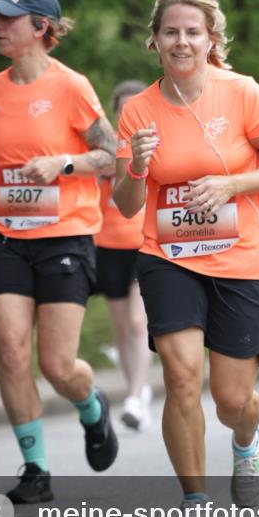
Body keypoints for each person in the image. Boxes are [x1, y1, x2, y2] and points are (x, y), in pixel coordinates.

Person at [113, 0, 259, 517]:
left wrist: (231, 186)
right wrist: (137, 167)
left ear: (210, 38)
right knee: (179, 374)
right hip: (168, 255)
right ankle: (194, 504)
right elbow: (126, 207)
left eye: (191, 32)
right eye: (170, 32)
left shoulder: (243, 92)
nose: (181, 41)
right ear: (154, 41)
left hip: (242, 257)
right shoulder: (138, 112)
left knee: (231, 399)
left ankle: (247, 439)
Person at [0, 0, 119, 503]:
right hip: (6, 235)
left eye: (10, 19)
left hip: (66, 237)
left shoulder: (72, 87)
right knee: (10, 350)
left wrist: (63, 163)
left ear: (41, 29)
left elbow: (112, 156)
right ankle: (36, 469)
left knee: (57, 366)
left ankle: (92, 406)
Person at [95, 80, 153, 431]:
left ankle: (133, 396)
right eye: (124, 108)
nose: (130, 112)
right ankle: (140, 389)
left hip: (144, 243)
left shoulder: (154, 145)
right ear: (116, 112)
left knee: (137, 323)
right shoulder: (103, 150)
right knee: (121, 328)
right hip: (107, 245)